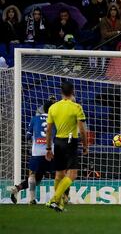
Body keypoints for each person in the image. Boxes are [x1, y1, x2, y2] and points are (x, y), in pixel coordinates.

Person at [45, 81, 88, 212]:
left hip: (57, 142)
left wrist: (48, 148)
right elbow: (82, 129)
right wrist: (85, 145)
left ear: (61, 92)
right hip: (70, 141)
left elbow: (48, 130)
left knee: (59, 174)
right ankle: (54, 199)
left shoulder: (53, 107)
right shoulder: (76, 107)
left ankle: (57, 203)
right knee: (72, 174)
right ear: (73, 91)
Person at [10, 101, 57, 204]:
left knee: (34, 175)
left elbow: (27, 136)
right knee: (58, 174)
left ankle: (30, 198)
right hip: (50, 152)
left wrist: (35, 138)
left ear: (43, 109)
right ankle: (61, 198)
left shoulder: (34, 119)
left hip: (36, 152)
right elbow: (56, 137)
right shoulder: (54, 120)